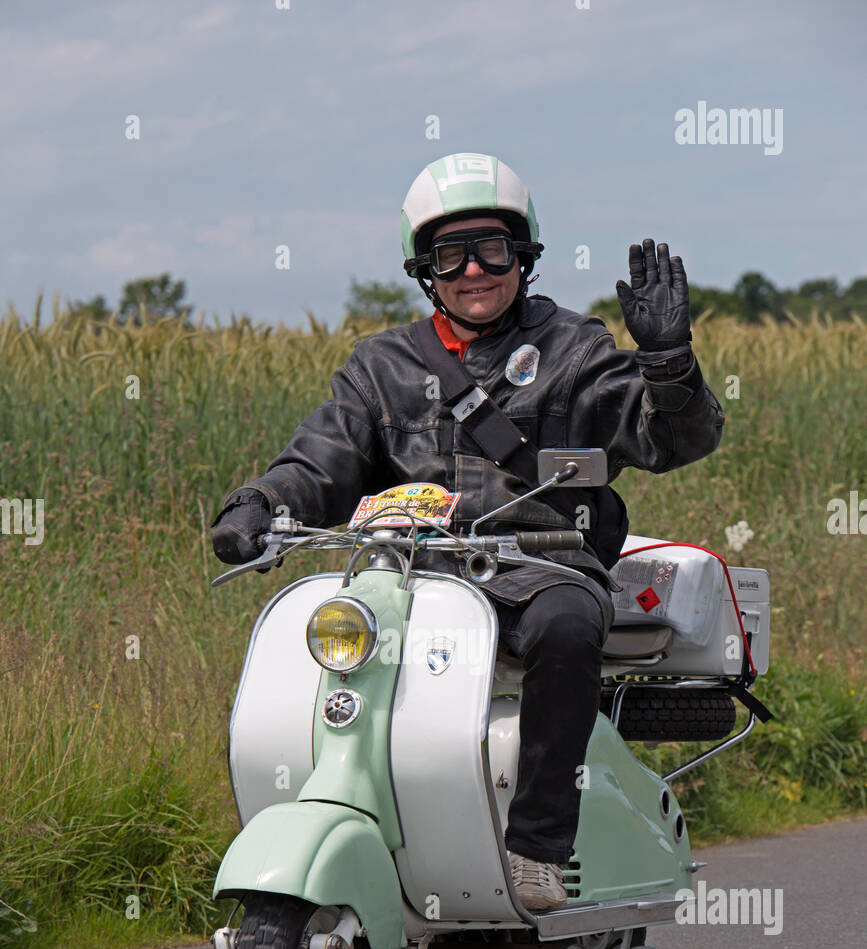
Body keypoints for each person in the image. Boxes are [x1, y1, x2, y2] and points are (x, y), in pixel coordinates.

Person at [212, 152, 724, 910]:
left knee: (567, 624)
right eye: (451, 253)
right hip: (405, 574)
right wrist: (261, 502)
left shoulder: (574, 350)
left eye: (492, 249)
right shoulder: (379, 367)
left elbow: (672, 441)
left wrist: (669, 364)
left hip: (537, 565)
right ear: (424, 268)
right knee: (322, 642)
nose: (474, 270)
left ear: (524, 256)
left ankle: (538, 848)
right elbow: (321, 458)